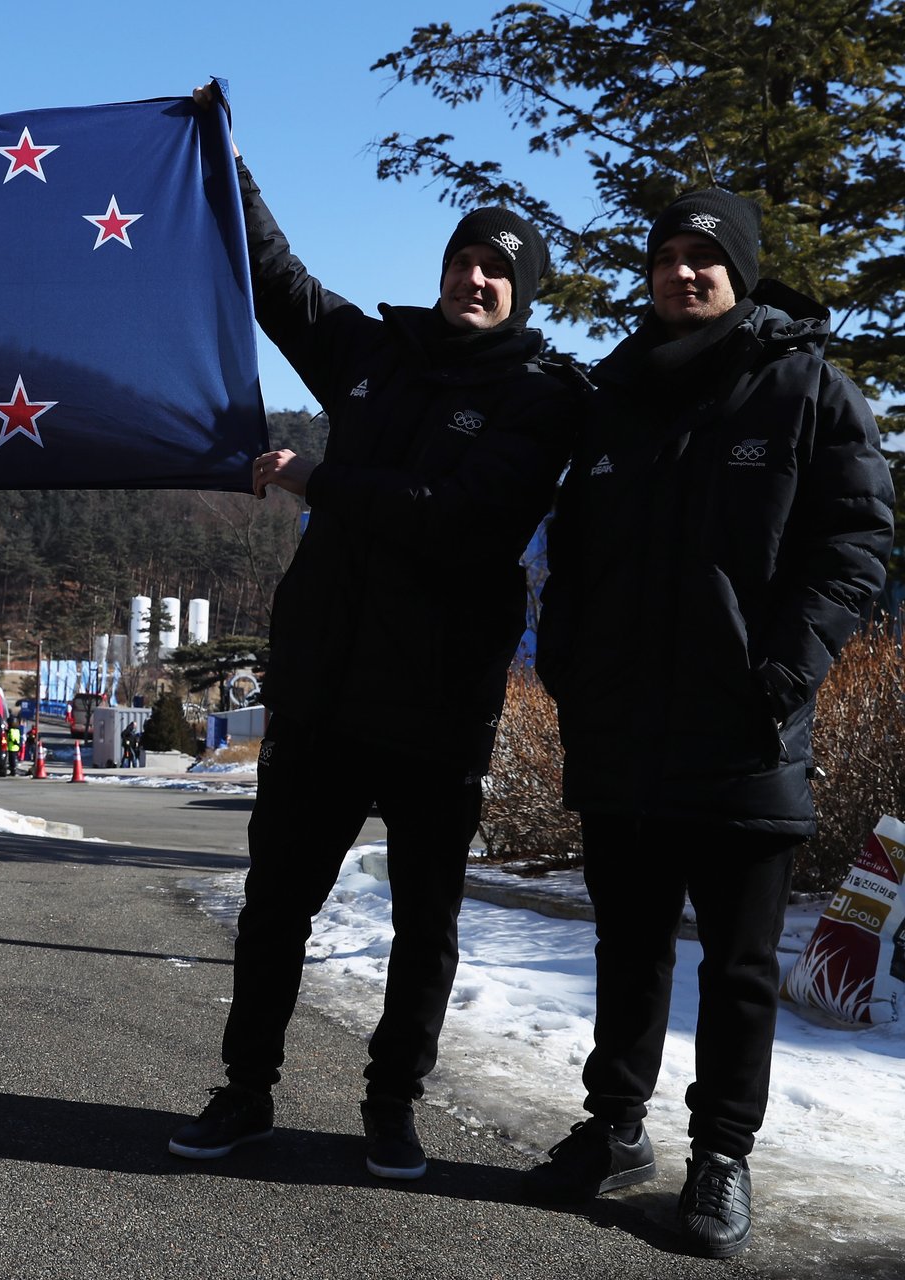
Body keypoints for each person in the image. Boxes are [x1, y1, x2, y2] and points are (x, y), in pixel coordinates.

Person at [168, 85, 582, 1180]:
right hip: (319, 692)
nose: (476, 278)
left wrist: (317, 478)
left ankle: (391, 1100)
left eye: (498, 269)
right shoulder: (373, 355)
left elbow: (458, 523)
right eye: (463, 261)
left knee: (423, 930)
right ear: (442, 269)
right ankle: (244, 1089)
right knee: (274, 911)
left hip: (438, 709)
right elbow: (278, 282)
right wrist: (227, 154)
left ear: (522, 290)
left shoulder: (544, 399)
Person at [523, 191, 892, 1258]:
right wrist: (567, 664)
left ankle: (722, 1154)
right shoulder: (614, 396)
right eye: (669, 256)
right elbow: (576, 555)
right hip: (625, 732)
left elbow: (856, 543)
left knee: (735, 965)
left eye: (706, 258)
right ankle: (614, 1126)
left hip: (745, 736)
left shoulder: (806, 387)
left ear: (740, 273)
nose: (684, 273)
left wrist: (783, 671)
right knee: (629, 950)